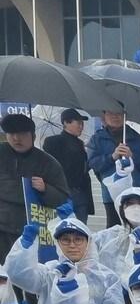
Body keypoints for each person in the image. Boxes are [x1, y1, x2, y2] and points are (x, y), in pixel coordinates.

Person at [0, 112, 70, 260]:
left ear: (33, 135)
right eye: (11, 134)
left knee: (24, 275)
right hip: (2, 228)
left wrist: (46, 189)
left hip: (30, 231)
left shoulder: (48, 163)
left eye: (22, 134)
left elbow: (62, 198)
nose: (16, 138)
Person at [88, 110, 140, 224]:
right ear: (104, 115)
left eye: (119, 114)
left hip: (137, 194)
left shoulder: (139, 138)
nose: (115, 117)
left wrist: (133, 156)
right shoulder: (97, 139)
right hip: (111, 193)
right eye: (111, 113)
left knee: (139, 229)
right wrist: (112, 157)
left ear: (125, 116)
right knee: (114, 229)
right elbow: (92, 164)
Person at [43, 109, 93, 222]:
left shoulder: (80, 144)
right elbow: (50, 166)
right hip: (63, 192)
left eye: (82, 124)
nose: (81, 127)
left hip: (81, 193)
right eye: (78, 123)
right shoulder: (53, 142)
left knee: (81, 229)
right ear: (66, 122)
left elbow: (83, 169)